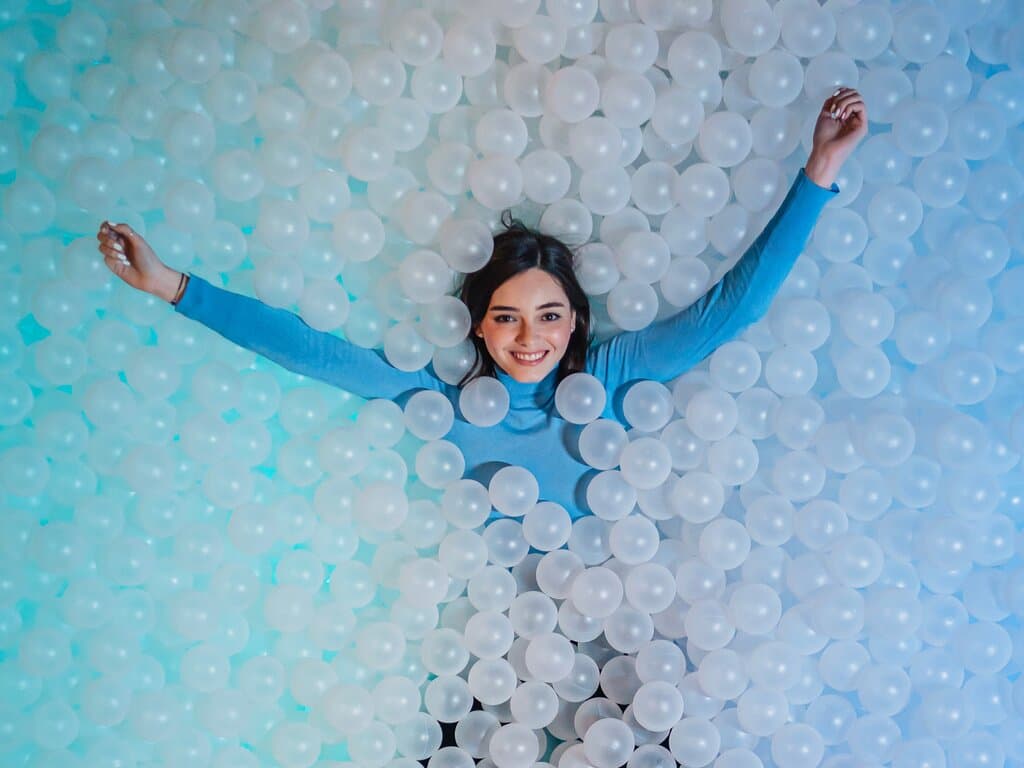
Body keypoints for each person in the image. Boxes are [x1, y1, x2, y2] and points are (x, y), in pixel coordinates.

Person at [96, 88, 865, 752]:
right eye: (506, 317)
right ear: (476, 325)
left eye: (548, 315)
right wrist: (173, 286)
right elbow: (314, 352)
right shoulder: (442, 398)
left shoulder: (609, 376)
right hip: (498, 639)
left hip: (619, 629)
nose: (529, 338)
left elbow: (731, 309)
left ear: (575, 322)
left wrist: (819, 171)